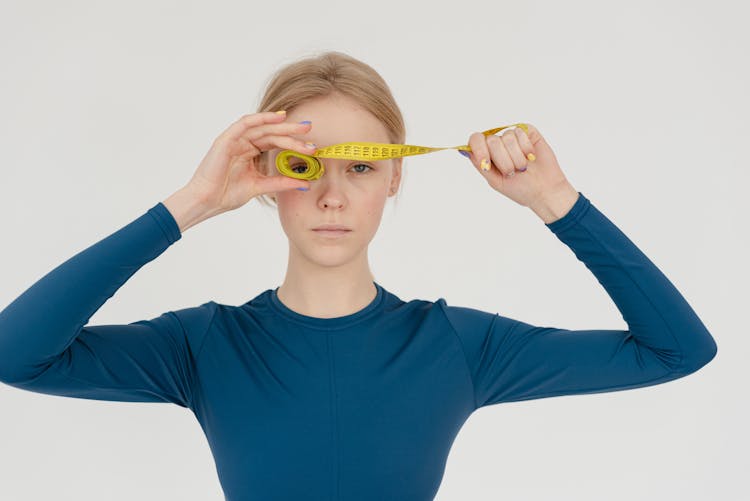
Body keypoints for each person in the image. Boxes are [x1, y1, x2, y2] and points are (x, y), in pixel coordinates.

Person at [0, 51, 717, 501]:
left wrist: (554, 202)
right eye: (304, 167)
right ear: (267, 179)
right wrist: (190, 204)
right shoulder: (206, 346)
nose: (332, 196)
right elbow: (15, 351)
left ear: (395, 177)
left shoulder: (458, 345)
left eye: (362, 167)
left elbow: (679, 349)